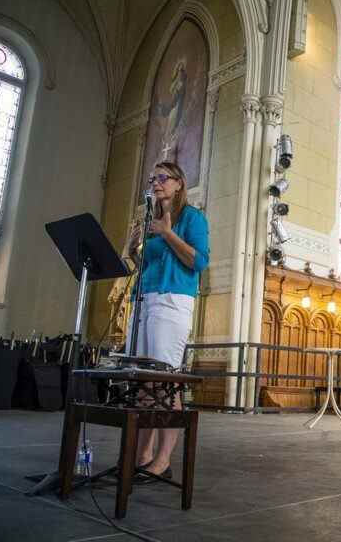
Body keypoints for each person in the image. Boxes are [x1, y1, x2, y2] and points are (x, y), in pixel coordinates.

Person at [125, 161, 209, 480]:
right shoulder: (154, 220)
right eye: (152, 178)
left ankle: (163, 460)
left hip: (173, 301)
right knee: (144, 383)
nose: (156, 183)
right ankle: (142, 454)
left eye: (163, 178)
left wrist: (168, 234)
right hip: (144, 298)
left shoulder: (192, 217)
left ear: (178, 183)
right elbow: (146, 263)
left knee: (165, 382)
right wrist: (134, 249)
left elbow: (198, 260)